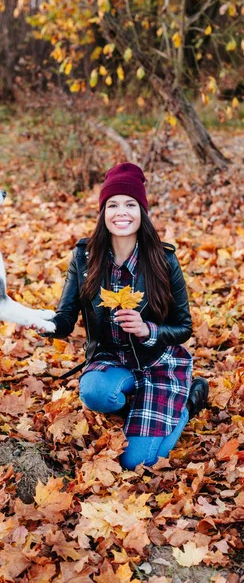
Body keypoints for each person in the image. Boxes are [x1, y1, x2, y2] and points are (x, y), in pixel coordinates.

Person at [39, 162, 208, 469]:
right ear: (103, 213)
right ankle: (136, 403)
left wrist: (148, 330)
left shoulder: (164, 259)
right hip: (110, 358)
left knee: (137, 463)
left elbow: (183, 327)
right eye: (113, 205)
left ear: (142, 211)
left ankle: (186, 405)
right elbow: (65, 317)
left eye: (130, 204)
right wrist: (44, 323)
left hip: (155, 361)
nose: (122, 213)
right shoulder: (85, 257)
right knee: (96, 393)